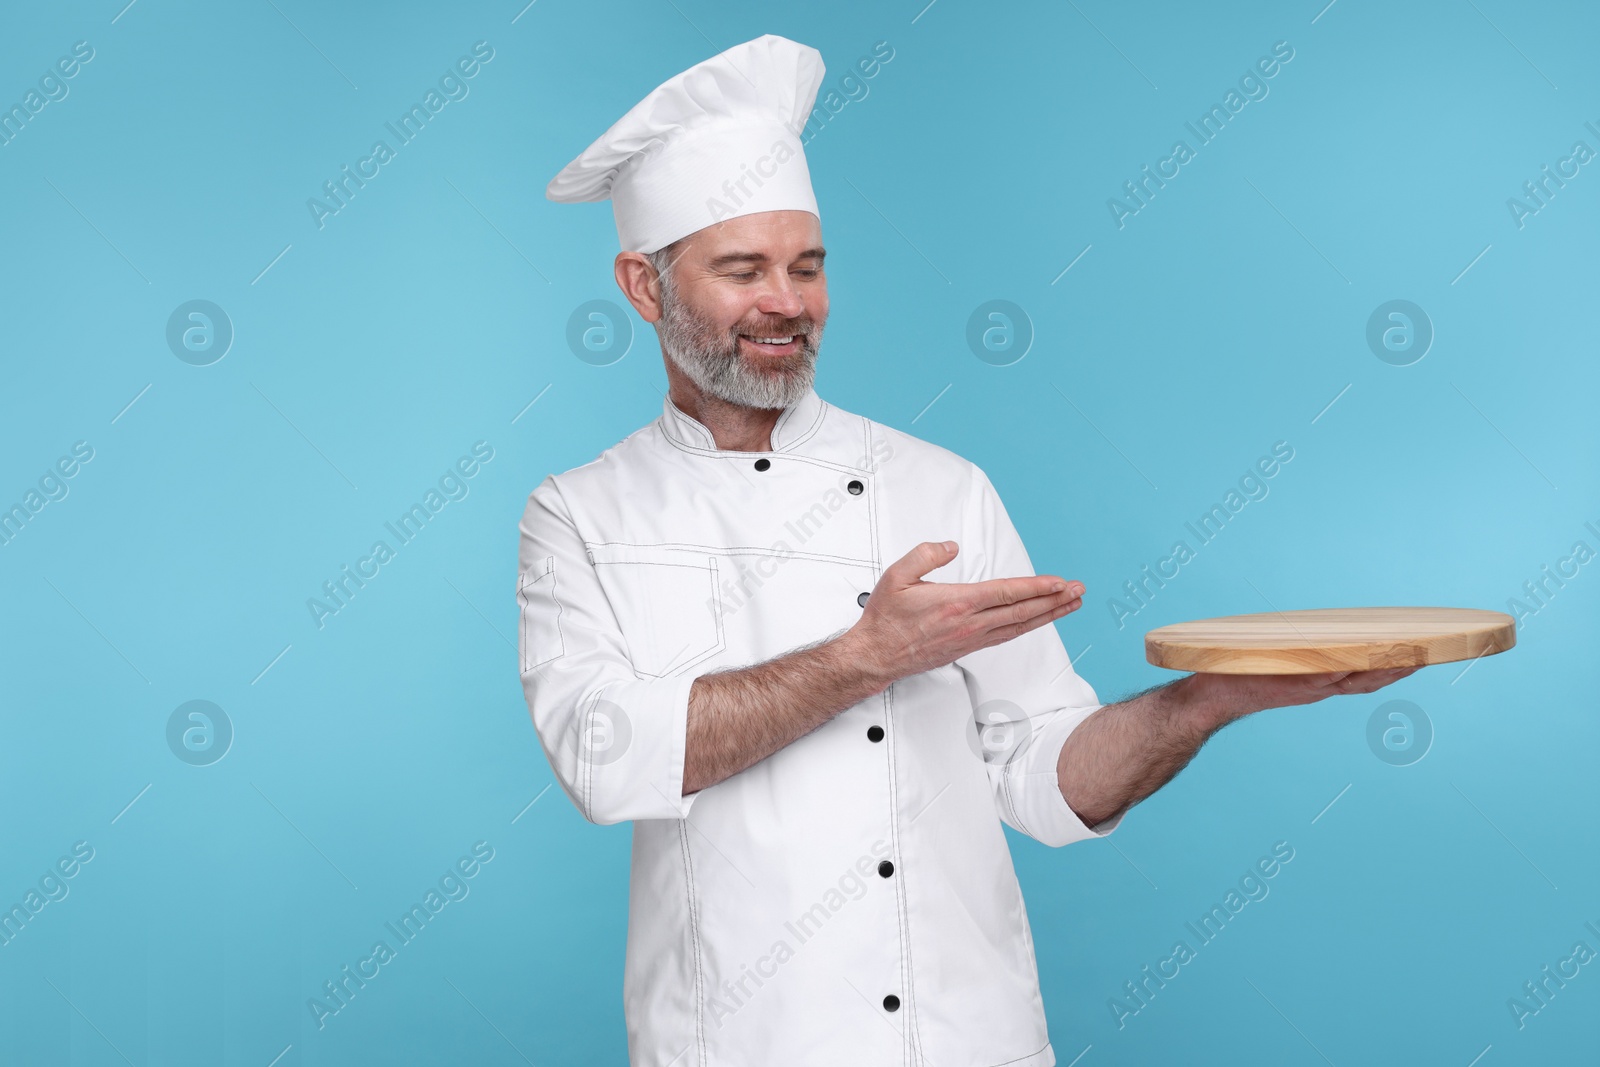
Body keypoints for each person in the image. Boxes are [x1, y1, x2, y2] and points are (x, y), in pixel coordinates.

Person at [520, 34, 1418, 1067]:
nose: (787, 302)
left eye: (807, 267)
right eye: (742, 269)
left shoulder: (939, 486)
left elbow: (1042, 772)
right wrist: (863, 656)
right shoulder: (580, 513)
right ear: (644, 285)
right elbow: (604, 756)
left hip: (969, 1037)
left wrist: (1207, 700)